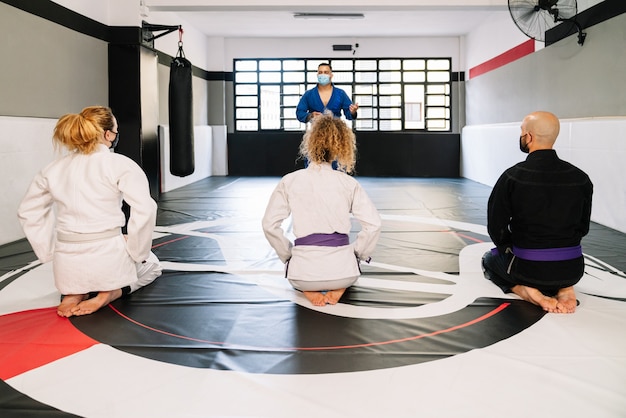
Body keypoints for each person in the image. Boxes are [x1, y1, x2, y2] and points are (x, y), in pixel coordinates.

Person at [18, 106, 162, 317]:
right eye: (115, 131)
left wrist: (47, 250)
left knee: (76, 272)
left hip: (66, 261)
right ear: (107, 134)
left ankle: (73, 293)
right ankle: (111, 292)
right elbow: (145, 207)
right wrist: (136, 249)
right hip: (108, 256)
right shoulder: (119, 164)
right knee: (153, 266)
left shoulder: (53, 168)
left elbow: (28, 210)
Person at [262, 113, 381, 306]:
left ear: (310, 144)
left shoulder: (290, 181)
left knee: (301, 275)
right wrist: (357, 255)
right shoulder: (348, 183)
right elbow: (374, 225)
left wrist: (288, 256)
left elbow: (269, 225)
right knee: (345, 272)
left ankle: (309, 288)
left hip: (302, 275)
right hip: (345, 273)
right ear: (341, 147)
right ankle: (338, 285)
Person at [481, 111, 593, 314]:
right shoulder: (581, 178)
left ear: (529, 137)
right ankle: (565, 286)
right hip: (572, 269)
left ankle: (525, 290)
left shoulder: (512, 177)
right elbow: (583, 227)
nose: (521, 136)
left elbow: (496, 228)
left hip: (528, 268)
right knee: (553, 264)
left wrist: (509, 248)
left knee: (489, 259)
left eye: (522, 132)